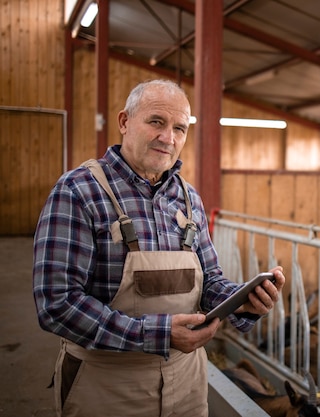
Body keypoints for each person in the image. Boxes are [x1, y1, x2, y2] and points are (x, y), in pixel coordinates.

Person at [33, 79, 286, 417]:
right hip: (106, 387)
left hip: (187, 384)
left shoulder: (188, 197)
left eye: (180, 128)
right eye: (156, 122)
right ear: (124, 122)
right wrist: (156, 334)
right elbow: (56, 302)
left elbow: (210, 280)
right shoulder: (79, 191)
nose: (169, 138)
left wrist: (244, 301)